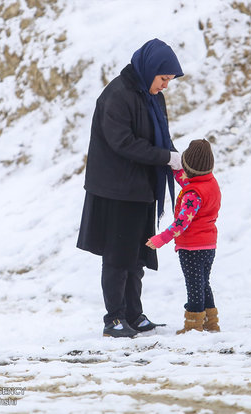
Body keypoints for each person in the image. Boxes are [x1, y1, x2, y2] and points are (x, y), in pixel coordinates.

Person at [77, 39, 185, 338]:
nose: (165, 86)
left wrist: (178, 162)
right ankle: (113, 319)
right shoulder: (117, 96)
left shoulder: (152, 97)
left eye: (169, 81)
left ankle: (134, 315)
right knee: (118, 256)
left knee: (137, 256)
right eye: (163, 79)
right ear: (149, 70)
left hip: (141, 188)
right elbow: (123, 143)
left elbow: (161, 137)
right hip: (116, 189)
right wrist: (167, 157)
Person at [146, 139, 222, 334]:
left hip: (192, 248)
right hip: (208, 245)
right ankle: (211, 323)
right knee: (203, 283)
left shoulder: (192, 195)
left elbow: (181, 224)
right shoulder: (210, 183)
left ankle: (193, 326)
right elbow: (189, 180)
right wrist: (175, 168)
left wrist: (160, 239)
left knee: (194, 287)